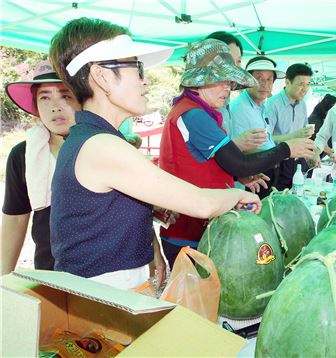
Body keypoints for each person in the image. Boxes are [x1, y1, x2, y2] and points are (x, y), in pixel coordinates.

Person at [48, 18, 261, 289]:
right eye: (136, 68)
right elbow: (202, 203)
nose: (144, 81)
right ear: (101, 76)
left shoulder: (95, 139)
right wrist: (240, 194)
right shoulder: (101, 146)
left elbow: (101, 216)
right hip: (100, 299)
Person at [159, 40, 315, 267]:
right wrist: (287, 149)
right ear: (200, 81)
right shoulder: (194, 116)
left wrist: (237, 177)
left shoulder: (194, 111)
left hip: (193, 228)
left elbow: (202, 162)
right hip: (188, 233)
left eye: (229, 82)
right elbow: (239, 162)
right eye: (221, 81)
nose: (228, 88)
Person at [1, 61, 80, 275]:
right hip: (49, 271)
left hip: (104, 273)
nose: (55, 106)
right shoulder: (23, 156)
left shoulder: (100, 146)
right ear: (35, 106)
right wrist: (3, 280)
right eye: (44, 97)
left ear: (82, 101)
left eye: (65, 95)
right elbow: (15, 219)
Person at [229, 56, 314, 198]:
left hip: (263, 175)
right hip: (247, 185)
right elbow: (239, 152)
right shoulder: (240, 108)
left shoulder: (260, 106)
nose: (265, 84)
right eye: (259, 77)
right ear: (247, 80)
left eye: (269, 79)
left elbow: (265, 142)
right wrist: (285, 148)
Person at [265, 63, 315, 190]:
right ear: (287, 82)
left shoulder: (302, 105)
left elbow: (304, 133)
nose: (305, 89)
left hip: (298, 161)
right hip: (279, 161)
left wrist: (312, 153)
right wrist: (293, 136)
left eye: (308, 84)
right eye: (300, 84)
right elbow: (267, 139)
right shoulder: (273, 104)